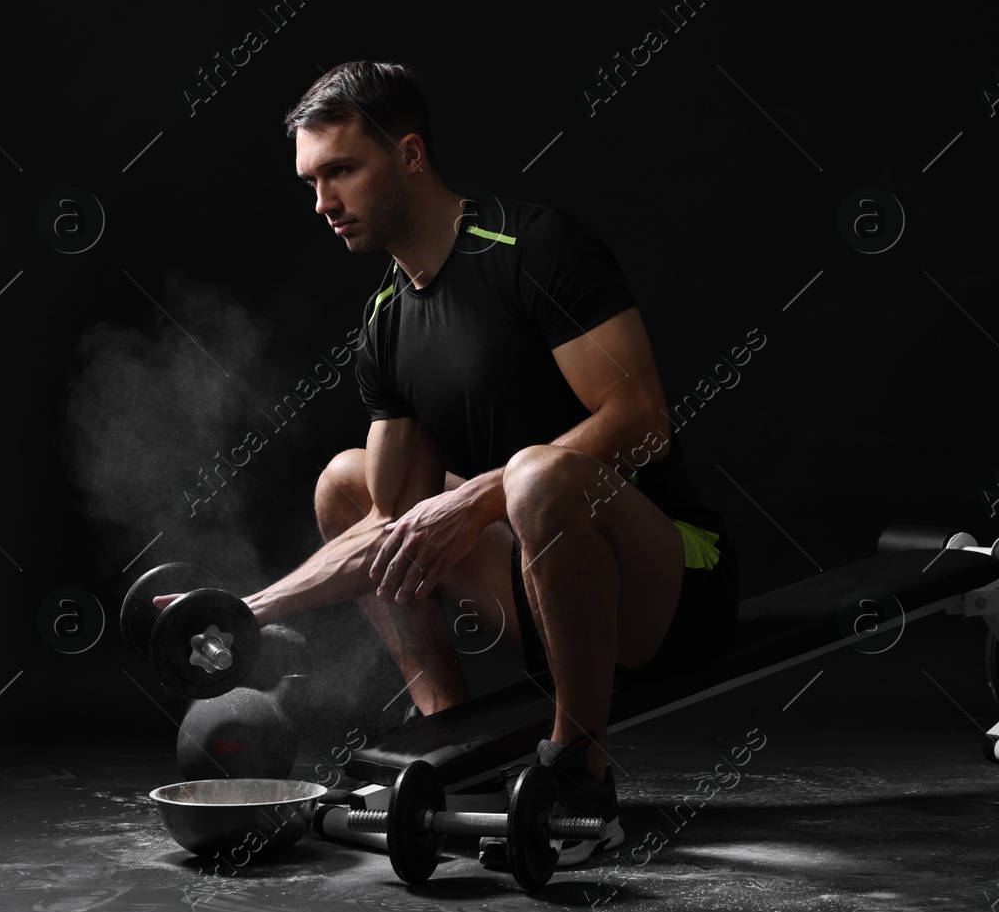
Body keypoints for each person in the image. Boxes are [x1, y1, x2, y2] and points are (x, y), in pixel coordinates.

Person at [154, 60, 739, 865]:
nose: (323, 203)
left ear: (412, 156)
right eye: (311, 181)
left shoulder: (534, 247)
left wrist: (477, 500)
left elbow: (643, 423)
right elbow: (387, 522)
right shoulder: (388, 321)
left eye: (342, 172)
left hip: (672, 588)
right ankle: (455, 749)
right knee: (347, 480)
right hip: (543, 590)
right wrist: (248, 609)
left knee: (533, 473)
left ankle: (581, 781)